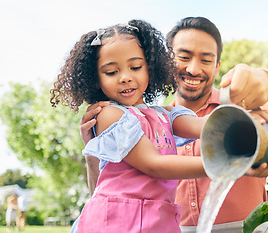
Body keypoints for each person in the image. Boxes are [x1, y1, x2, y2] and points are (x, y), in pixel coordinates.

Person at [80, 17, 268, 232]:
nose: (193, 68)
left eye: (206, 60)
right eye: (184, 57)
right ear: (167, 61)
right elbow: (112, 187)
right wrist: (94, 150)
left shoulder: (243, 104)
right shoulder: (124, 118)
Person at [50, 19, 233, 232]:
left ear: (150, 68)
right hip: (116, 223)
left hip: (155, 221)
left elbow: (207, 126)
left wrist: (249, 117)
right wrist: (223, 164)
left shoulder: (165, 115)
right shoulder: (109, 116)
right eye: (111, 72)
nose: (126, 77)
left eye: (135, 67)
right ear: (96, 79)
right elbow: (154, 164)